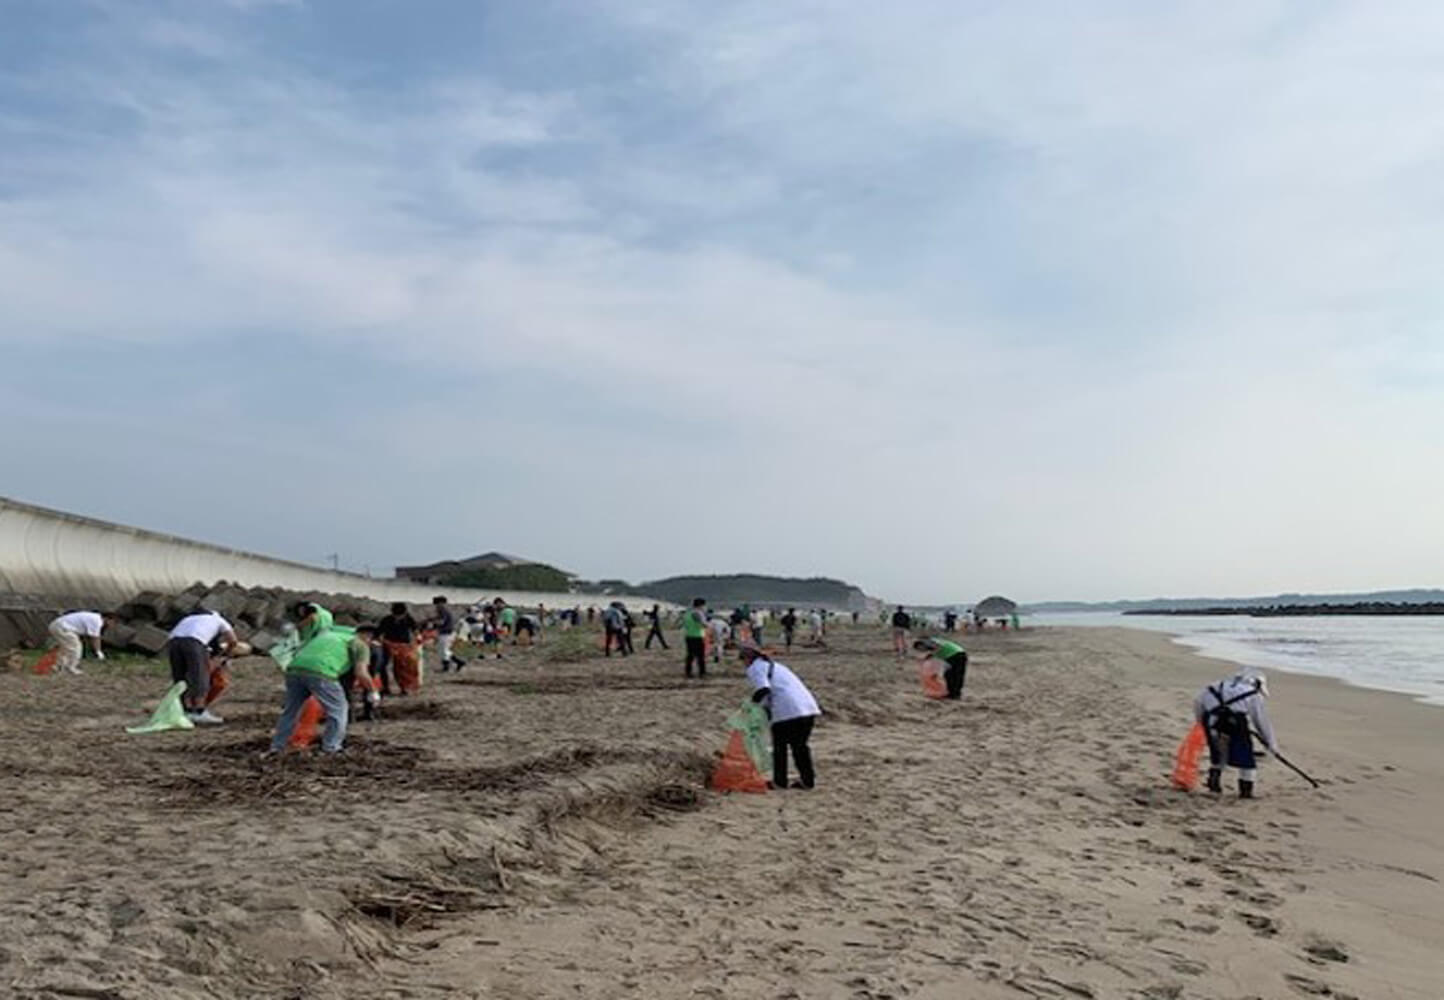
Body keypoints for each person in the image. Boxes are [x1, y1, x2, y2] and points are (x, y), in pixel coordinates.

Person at [269, 605, 355, 754]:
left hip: (296, 667)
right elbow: (358, 671)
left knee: (291, 710)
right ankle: (331, 747)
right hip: (321, 671)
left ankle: (277, 746)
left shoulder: (322, 632)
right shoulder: (353, 640)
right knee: (337, 710)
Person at [739, 643, 821, 790]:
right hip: (808, 707)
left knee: (780, 747)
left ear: (748, 658)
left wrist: (750, 706)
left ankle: (780, 782)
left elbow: (763, 689)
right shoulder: (776, 666)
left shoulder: (755, 668)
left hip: (787, 710)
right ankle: (808, 781)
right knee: (800, 747)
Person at [1194, 671, 1278, 799]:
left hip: (1212, 722)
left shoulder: (1214, 686)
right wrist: (1271, 744)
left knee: (1218, 753)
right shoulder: (1253, 694)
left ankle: (1214, 784)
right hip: (1235, 725)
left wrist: (1201, 723)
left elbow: (1199, 703)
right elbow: (1261, 721)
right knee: (1246, 759)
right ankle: (1246, 792)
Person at [167, 609, 238, 723]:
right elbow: (233, 641)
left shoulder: (190, 619)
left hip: (173, 642)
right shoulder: (219, 620)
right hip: (194, 642)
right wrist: (226, 655)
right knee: (200, 676)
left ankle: (184, 710)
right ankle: (199, 712)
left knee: (180, 676)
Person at [47, 610, 113, 675]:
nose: (113, 625)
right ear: (107, 619)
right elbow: (95, 638)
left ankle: (58, 667)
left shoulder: (94, 617)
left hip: (57, 626)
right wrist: (98, 652)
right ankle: (70, 668)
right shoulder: (97, 621)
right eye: (113, 622)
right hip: (63, 627)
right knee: (75, 647)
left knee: (66, 648)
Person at [341, 624, 382, 721]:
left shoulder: (356, 643)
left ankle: (351, 715)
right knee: (367, 686)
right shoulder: (376, 647)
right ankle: (368, 713)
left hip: (353, 665)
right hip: (361, 664)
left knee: (347, 687)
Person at [378, 602, 421, 694]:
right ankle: (385, 687)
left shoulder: (409, 619)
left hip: (404, 645)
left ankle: (404, 688)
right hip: (388, 643)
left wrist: (417, 638)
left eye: (400, 615)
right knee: (383, 665)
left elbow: (415, 630)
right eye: (396, 615)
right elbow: (379, 633)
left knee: (403, 667)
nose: (398, 617)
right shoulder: (386, 620)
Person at [429, 596, 465, 672]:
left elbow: (441, 622)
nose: (436, 606)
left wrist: (432, 623)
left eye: (437, 604)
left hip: (446, 633)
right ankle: (459, 662)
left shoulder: (443, 611)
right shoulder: (443, 611)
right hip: (446, 632)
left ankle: (446, 667)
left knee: (444, 651)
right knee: (443, 650)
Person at [682, 598, 707, 677]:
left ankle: (688, 671)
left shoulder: (687, 613)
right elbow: (703, 624)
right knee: (700, 656)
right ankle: (702, 672)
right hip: (698, 636)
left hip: (688, 635)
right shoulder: (697, 613)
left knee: (690, 655)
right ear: (701, 605)